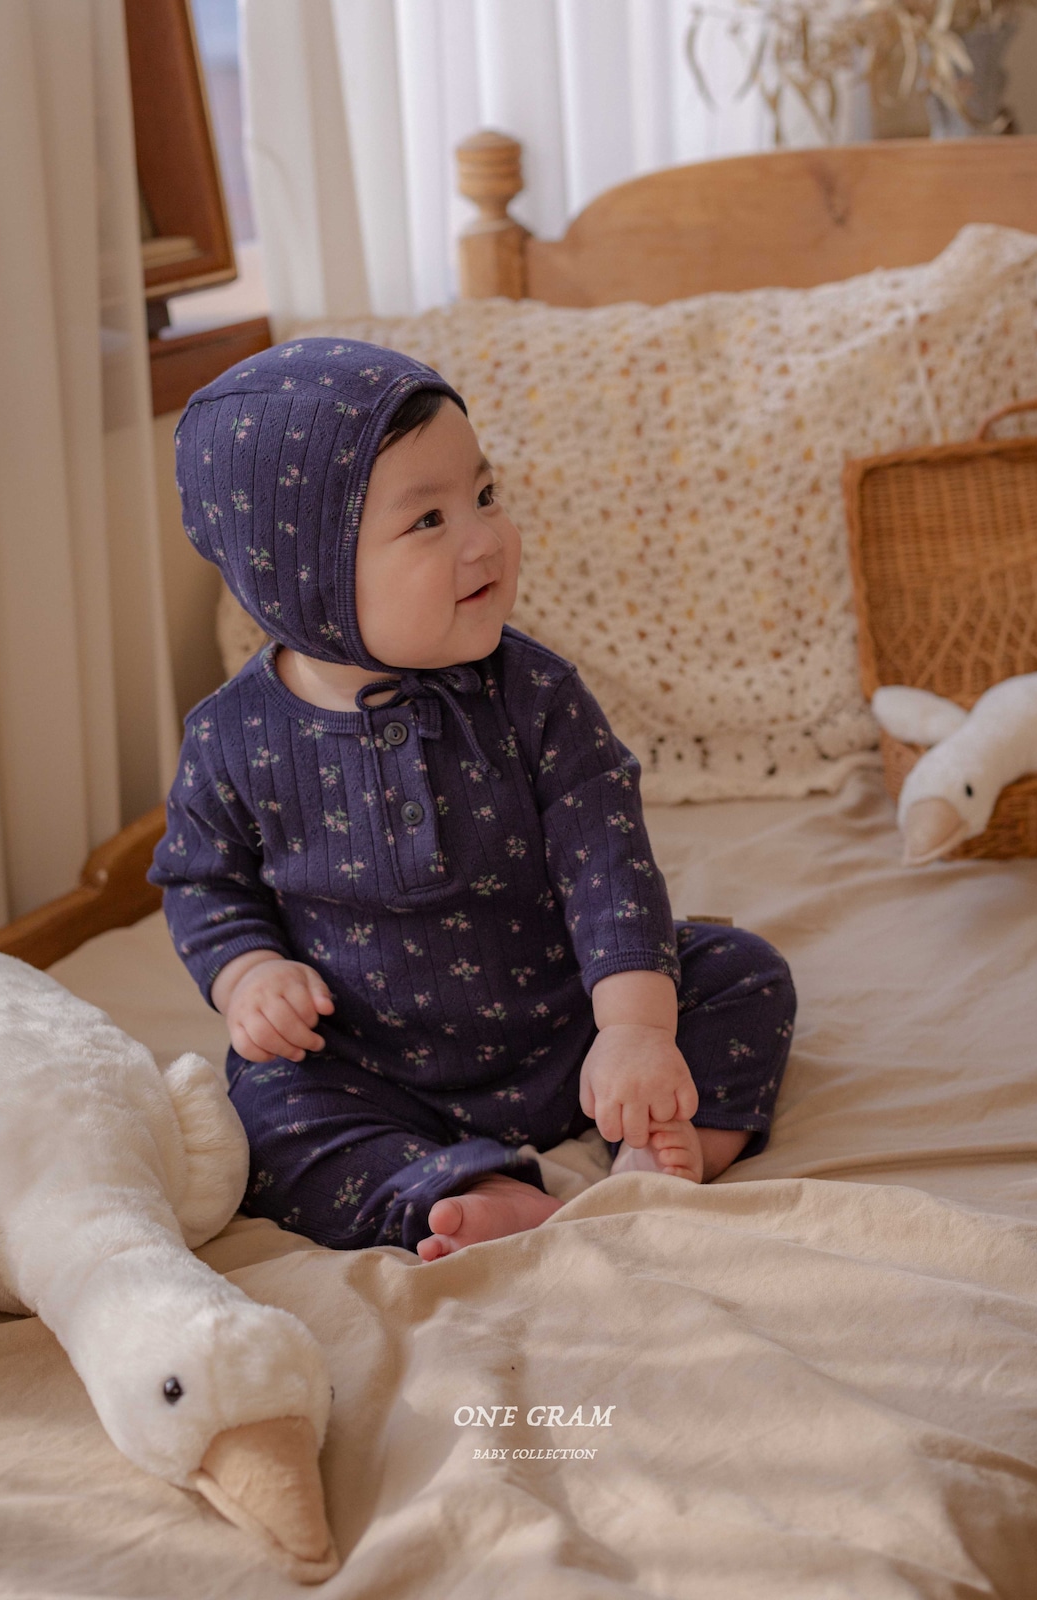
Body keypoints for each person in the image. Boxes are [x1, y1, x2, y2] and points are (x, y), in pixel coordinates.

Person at [149, 338, 795, 1263]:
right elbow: (201, 880)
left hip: (568, 1024)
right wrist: (248, 974)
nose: (486, 537)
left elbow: (608, 864)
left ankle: (660, 1147)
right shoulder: (231, 736)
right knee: (263, 1117)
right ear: (305, 574)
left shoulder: (536, 695)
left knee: (744, 974)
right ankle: (469, 1191)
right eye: (429, 520)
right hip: (369, 1061)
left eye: (485, 496)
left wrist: (635, 1030)